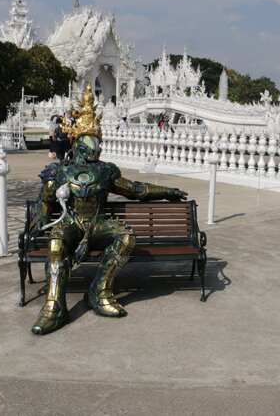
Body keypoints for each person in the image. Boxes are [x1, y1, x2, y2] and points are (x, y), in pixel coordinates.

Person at [29, 84, 187, 335]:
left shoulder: (105, 170)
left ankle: (99, 290)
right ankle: (54, 307)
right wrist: (41, 220)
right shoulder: (61, 171)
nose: (94, 146)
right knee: (56, 243)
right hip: (71, 221)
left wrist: (168, 192)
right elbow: (46, 198)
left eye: (96, 140)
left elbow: (136, 190)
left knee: (126, 236)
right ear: (77, 143)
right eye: (88, 141)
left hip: (97, 223)